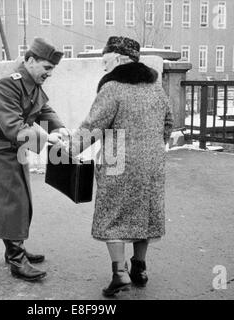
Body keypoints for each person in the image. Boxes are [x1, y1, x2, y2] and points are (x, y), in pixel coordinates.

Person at [64, 36, 173, 297]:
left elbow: (93, 126)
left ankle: (120, 274)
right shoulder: (155, 87)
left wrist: (69, 150)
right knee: (143, 214)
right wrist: (153, 145)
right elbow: (169, 121)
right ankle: (140, 269)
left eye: (105, 60)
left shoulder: (112, 87)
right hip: (151, 163)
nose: (103, 66)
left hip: (118, 161)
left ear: (119, 58)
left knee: (113, 216)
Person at [0, 37, 68, 282]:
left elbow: (43, 110)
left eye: (52, 70)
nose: (49, 74)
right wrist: (47, 139)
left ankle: (14, 250)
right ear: (30, 61)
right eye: (47, 68)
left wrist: (58, 127)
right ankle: (17, 260)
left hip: (11, 151)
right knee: (12, 203)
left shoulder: (31, 85)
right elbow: (15, 128)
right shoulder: (6, 86)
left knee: (17, 202)